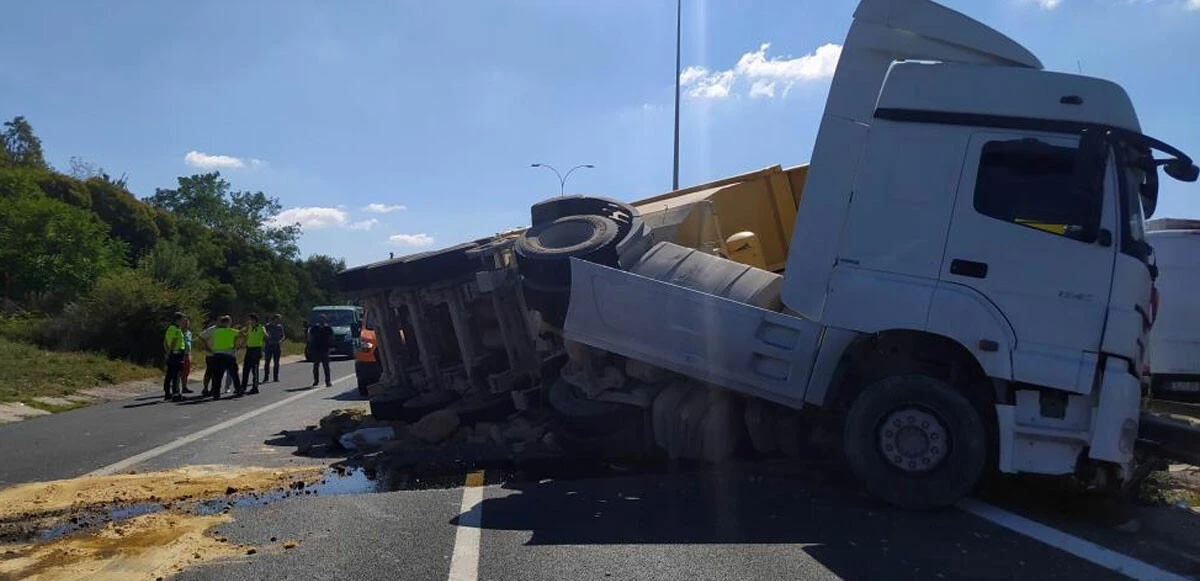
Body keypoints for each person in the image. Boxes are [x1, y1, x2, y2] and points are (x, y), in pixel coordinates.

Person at [200, 315, 243, 399]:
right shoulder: (231, 331)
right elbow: (243, 335)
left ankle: (216, 393)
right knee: (234, 374)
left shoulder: (215, 331)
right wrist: (238, 345)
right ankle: (238, 389)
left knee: (217, 375)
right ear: (227, 323)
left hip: (217, 355)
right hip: (228, 355)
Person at [162, 312, 186, 401]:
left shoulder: (170, 328)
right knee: (176, 375)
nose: (184, 321)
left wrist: (167, 351)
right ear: (178, 320)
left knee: (169, 374)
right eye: (182, 320)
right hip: (176, 353)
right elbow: (174, 341)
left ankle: (167, 393)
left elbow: (165, 341)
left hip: (172, 353)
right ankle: (176, 393)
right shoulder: (176, 329)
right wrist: (170, 352)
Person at [241, 314, 266, 395]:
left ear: (255, 320)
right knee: (246, 368)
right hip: (249, 349)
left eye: (250, 320)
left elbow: (266, 335)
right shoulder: (249, 328)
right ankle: (243, 387)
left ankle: (255, 387)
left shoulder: (261, 327)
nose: (249, 321)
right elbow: (244, 335)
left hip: (257, 349)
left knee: (254, 369)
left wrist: (264, 333)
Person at [307, 314, 334, 387]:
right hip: (316, 349)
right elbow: (310, 338)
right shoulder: (314, 328)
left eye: (323, 319)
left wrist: (330, 347)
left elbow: (331, 338)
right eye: (320, 319)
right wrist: (310, 347)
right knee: (316, 366)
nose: (321, 320)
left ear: (325, 320)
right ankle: (316, 381)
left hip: (325, 349)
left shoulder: (328, 328)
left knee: (326, 366)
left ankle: (328, 381)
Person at [263, 314, 285, 383]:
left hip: (277, 346)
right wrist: (266, 339)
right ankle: (266, 377)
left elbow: (283, 336)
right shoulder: (267, 326)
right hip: (269, 346)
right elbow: (264, 334)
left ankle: (276, 377)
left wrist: (281, 340)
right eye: (278, 319)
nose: (279, 320)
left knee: (276, 362)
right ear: (274, 319)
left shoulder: (280, 327)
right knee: (267, 362)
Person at [180, 316, 195, 394]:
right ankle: (174, 389)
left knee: (186, 372)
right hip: (179, 354)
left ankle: (184, 387)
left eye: (187, 323)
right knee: (178, 372)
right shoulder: (178, 332)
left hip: (187, 354)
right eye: (184, 323)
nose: (185, 324)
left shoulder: (189, 333)